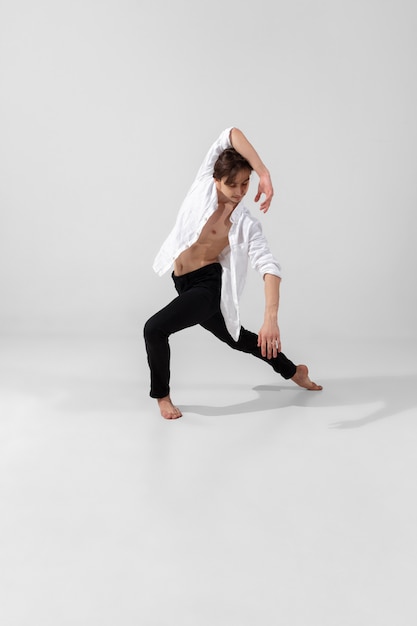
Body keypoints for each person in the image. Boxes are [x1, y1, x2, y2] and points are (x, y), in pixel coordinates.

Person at [144, 127, 322, 419]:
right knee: (238, 339)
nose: (240, 193)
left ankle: (162, 396)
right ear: (215, 179)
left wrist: (271, 319)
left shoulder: (245, 223)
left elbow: (269, 267)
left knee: (154, 329)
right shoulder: (202, 184)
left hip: (207, 286)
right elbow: (231, 133)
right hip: (181, 280)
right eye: (232, 185)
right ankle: (295, 371)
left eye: (247, 183)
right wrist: (264, 171)